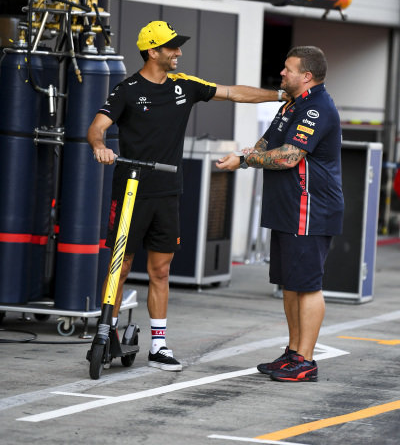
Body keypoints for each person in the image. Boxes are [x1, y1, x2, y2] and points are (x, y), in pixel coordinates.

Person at [87, 20, 288, 372]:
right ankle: (108, 332)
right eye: (171, 47)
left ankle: (159, 347)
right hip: (131, 190)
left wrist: (281, 95)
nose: (178, 52)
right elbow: (97, 127)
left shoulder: (186, 86)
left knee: (160, 270)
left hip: (167, 191)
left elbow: (233, 92)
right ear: (153, 52)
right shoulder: (127, 90)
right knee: (120, 267)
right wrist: (100, 146)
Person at [216, 46, 344, 382]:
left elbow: (288, 157)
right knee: (290, 284)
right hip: (288, 208)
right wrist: (246, 156)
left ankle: (307, 360)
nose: (282, 74)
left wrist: (244, 161)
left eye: (288, 69)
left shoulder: (317, 107)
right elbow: (266, 144)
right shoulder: (292, 105)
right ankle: (293, 353)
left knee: (308, 286)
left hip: (311, 208)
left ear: (307, 76)